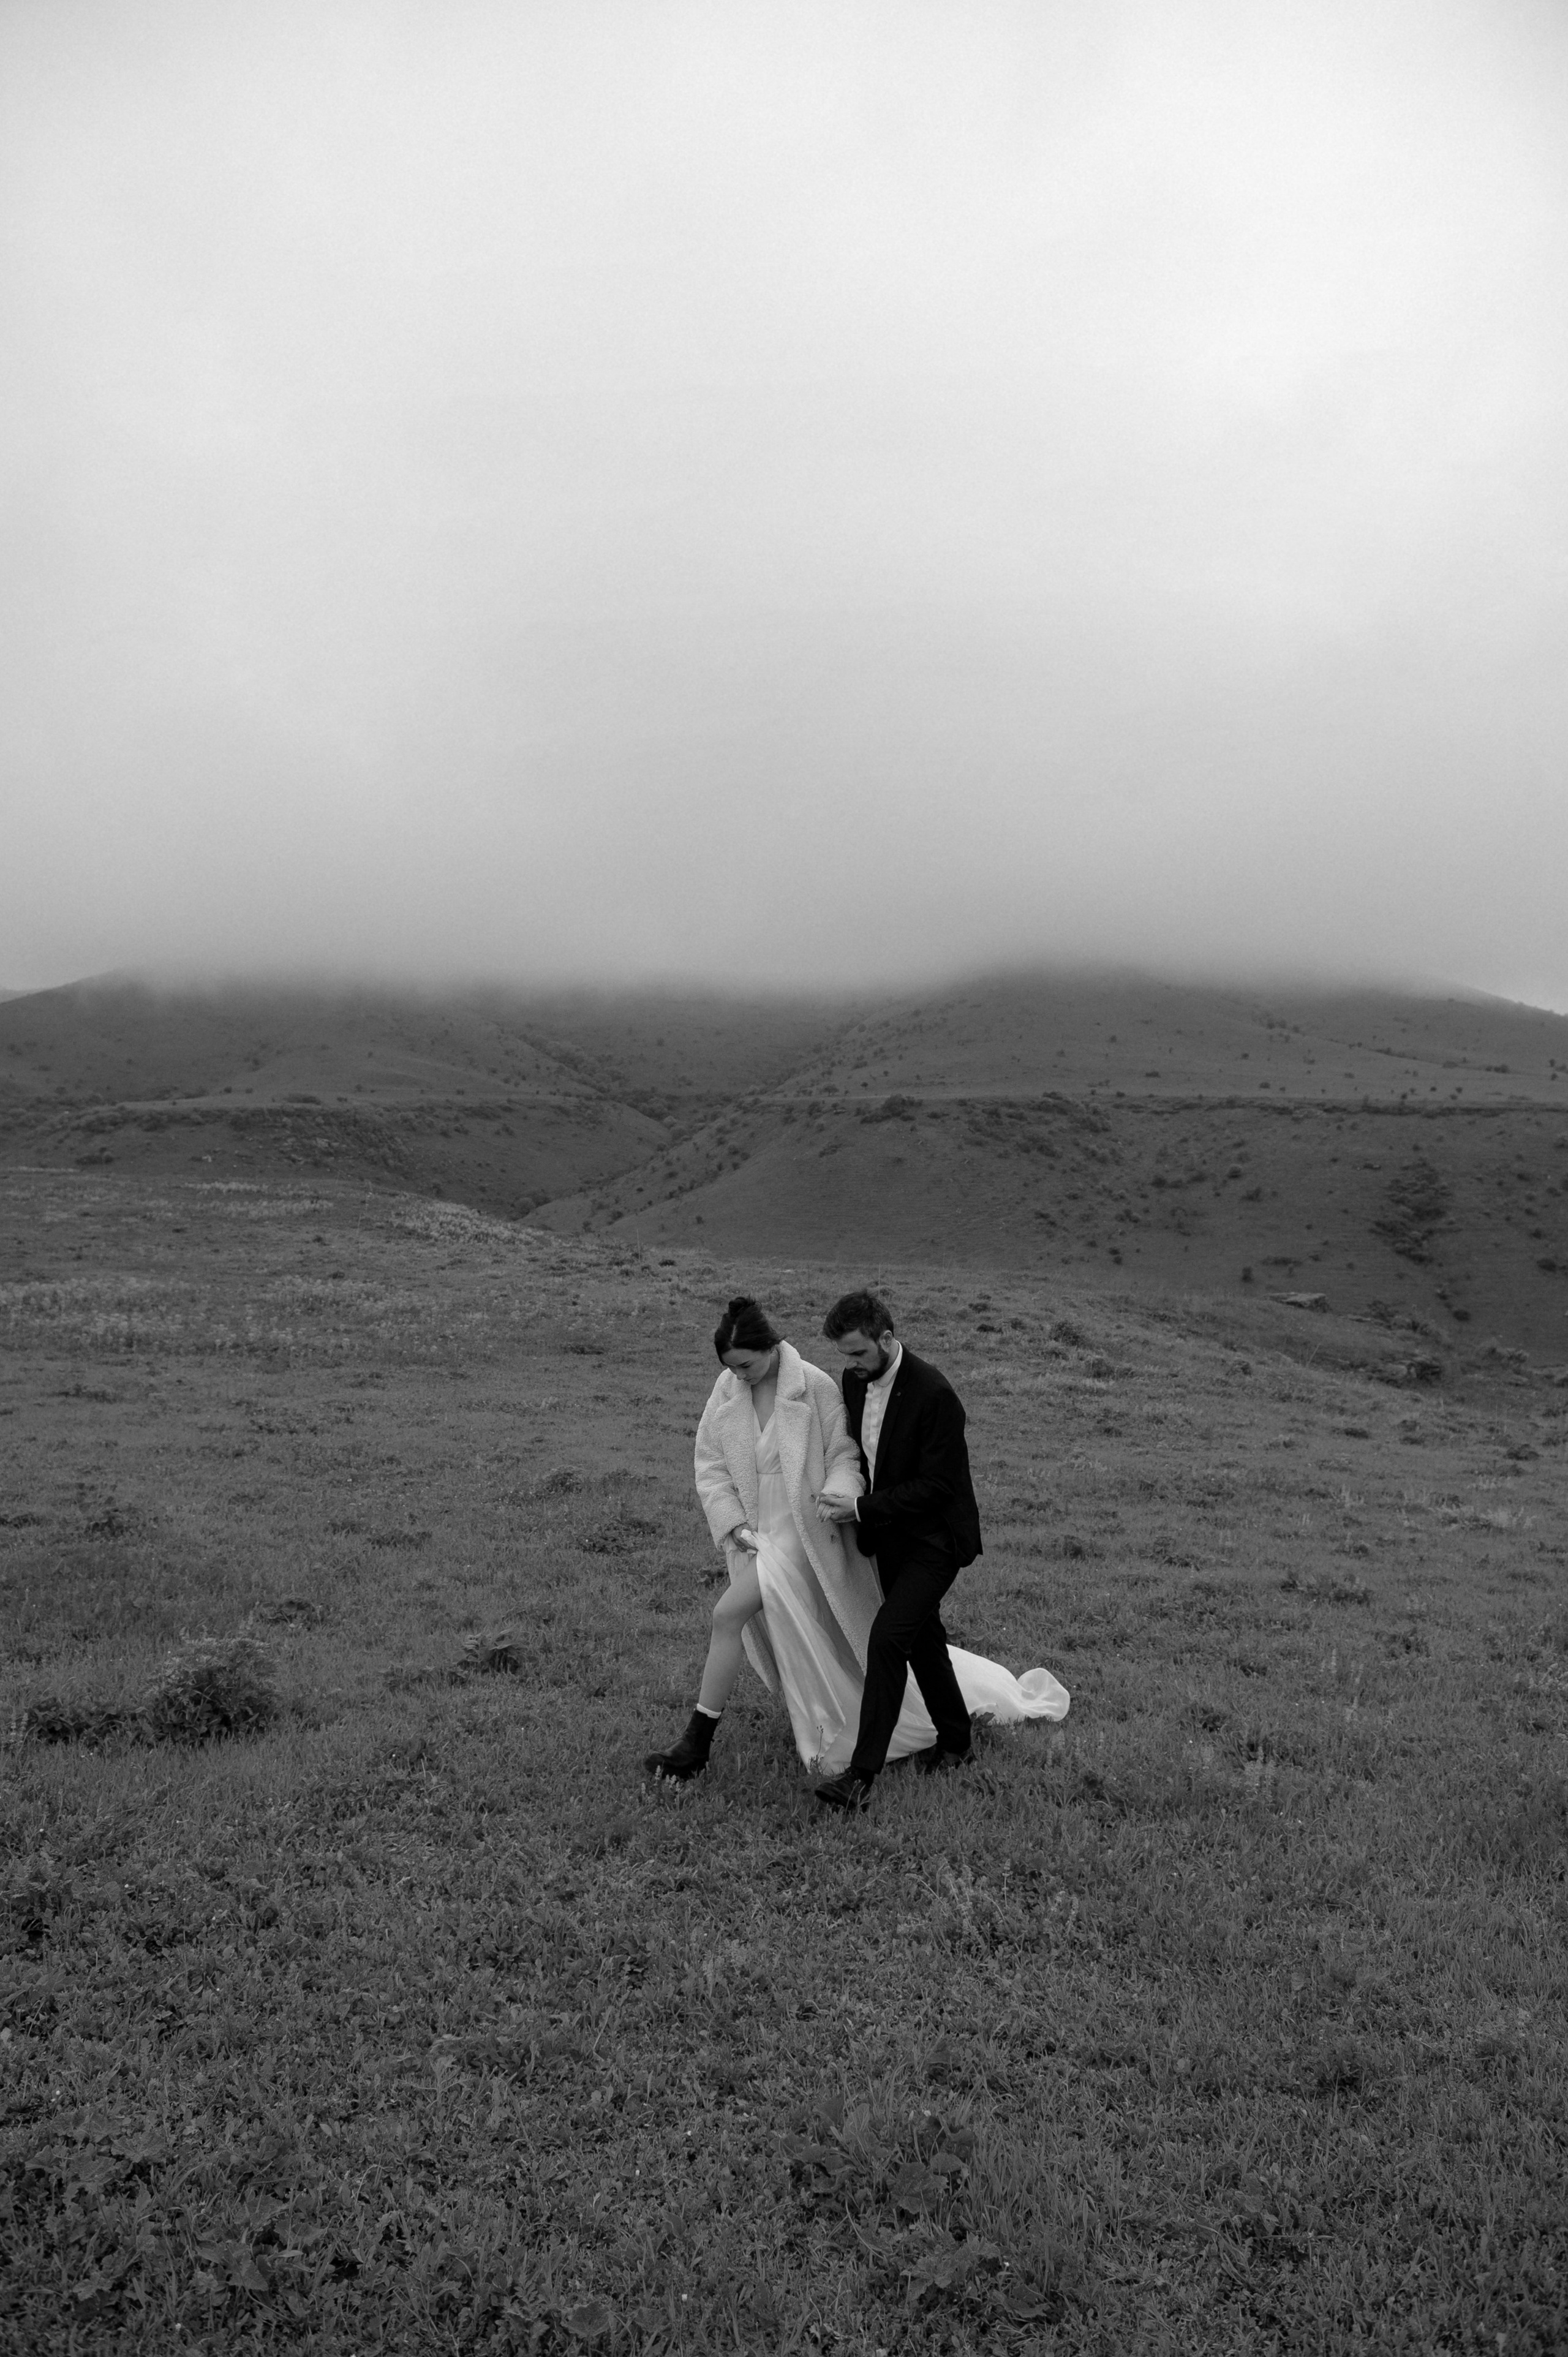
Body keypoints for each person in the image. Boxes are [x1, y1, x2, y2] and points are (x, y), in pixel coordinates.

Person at [643, 1293, 1068, 1790]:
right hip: (791, 1534)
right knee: (923, 1641)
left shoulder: (903, 1392)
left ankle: (837, 1771)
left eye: (746, 1365)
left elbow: (894, 1473)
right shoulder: (827, 1382)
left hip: (867, 1534)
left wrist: (849, 1502)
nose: (740, 1376)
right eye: (731, 1369)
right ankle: (955, 1739)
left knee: (761, 1620)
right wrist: (732, 1519)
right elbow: (717, 1461)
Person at [812, 1288, 1033, 1811]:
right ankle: (956, 1742)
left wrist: (863, 1509)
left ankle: (859, 1778)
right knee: (923, 1639)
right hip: (889, 1539)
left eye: (861, 1353)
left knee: (889, 1638)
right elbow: (862, 1454)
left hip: (936, 1540)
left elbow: (939, 1486)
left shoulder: (935, 1394)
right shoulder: (853, 1380)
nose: (853, 1366)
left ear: (886, 1338)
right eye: (845, 1356)